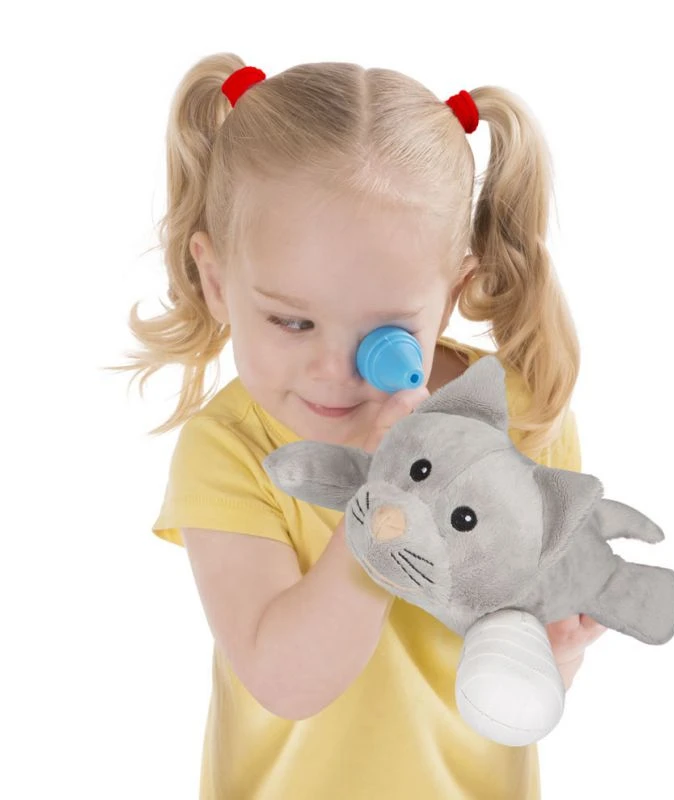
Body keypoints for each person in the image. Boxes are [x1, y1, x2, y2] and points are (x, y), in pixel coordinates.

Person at [114, 53, 608, 799]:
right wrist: (385, 513)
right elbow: (286, 679)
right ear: (217, 282)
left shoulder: (522, 418)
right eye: (292, 321)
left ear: (451, 294)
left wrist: (554, 657)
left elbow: (510, 679)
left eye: (385, 334)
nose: (332, 370)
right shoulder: (232, 448)